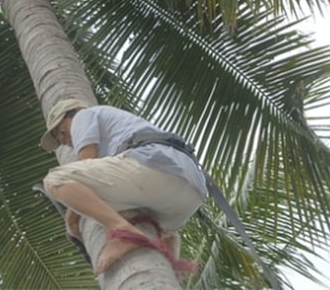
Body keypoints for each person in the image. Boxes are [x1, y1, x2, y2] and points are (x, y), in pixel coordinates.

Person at [41, 99, 207, 275]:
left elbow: (86, 159)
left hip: (154, 166)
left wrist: (72, 217)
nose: (67, 141)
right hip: (191, 192)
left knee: (55, 179)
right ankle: (168, 272)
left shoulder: (84, 115)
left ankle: (121, 230)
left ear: (74, 112)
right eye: (62, 141)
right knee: (163, 235)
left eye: (63, 132)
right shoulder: (118, 125)